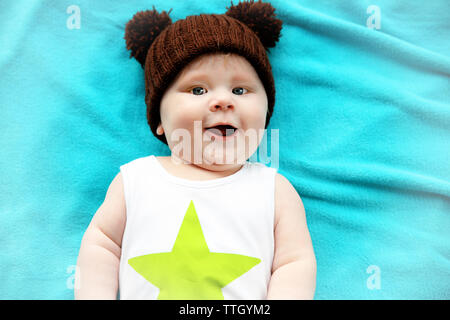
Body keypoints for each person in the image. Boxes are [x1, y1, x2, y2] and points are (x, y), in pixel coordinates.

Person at [75, 0, 316, 300]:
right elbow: (102, 244)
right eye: (198, 90)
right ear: (159, 121)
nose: (223, 101)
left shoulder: (274, 190)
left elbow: (294, 263)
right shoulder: (136, 181)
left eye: (240, 90)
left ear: (265, 115)